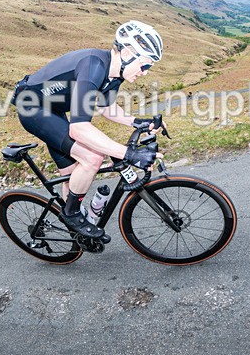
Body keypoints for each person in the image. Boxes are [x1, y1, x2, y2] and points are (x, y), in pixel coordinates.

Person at [12, 20, 165, 240]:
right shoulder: (94, 66)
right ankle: (71, 214)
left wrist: (138, 122)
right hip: (32, 109)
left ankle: (76, 237)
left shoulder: (114, 75)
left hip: (54, 110)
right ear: (127, 53)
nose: (145, 73)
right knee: (92, 157)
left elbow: (106, 107)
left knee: (72, 175)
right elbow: (79, 129)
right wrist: (129, 154)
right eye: (145, 65)